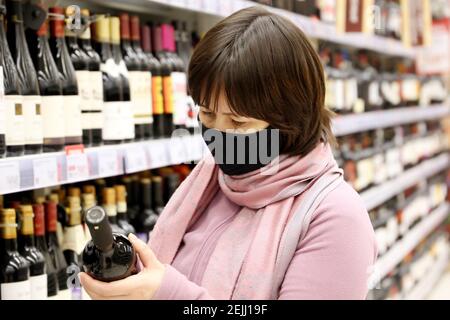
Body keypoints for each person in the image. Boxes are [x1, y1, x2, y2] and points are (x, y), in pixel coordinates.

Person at [79, 6, 377, 300]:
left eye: (238, 122)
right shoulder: (205, 186)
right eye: (207, 114)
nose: (219, 134)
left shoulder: (336, 217)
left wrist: (167, 294)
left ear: (289, 120)